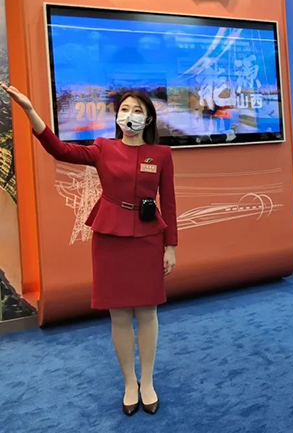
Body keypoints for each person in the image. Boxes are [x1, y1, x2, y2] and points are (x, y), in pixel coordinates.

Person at [1, 84, 177, 417]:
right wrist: (30, 111)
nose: (130, 116)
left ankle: (148, 381)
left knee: (147, 312)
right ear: (117, 116)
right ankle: (129, 382)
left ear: (149, 118)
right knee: (119, 314)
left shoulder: (162, 155)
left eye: (137, 110)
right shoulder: (103, 148)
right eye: (124, 109)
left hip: (148, 237)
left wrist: (171, 246)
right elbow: (59, 150)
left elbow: (168, 202)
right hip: (109, 236)